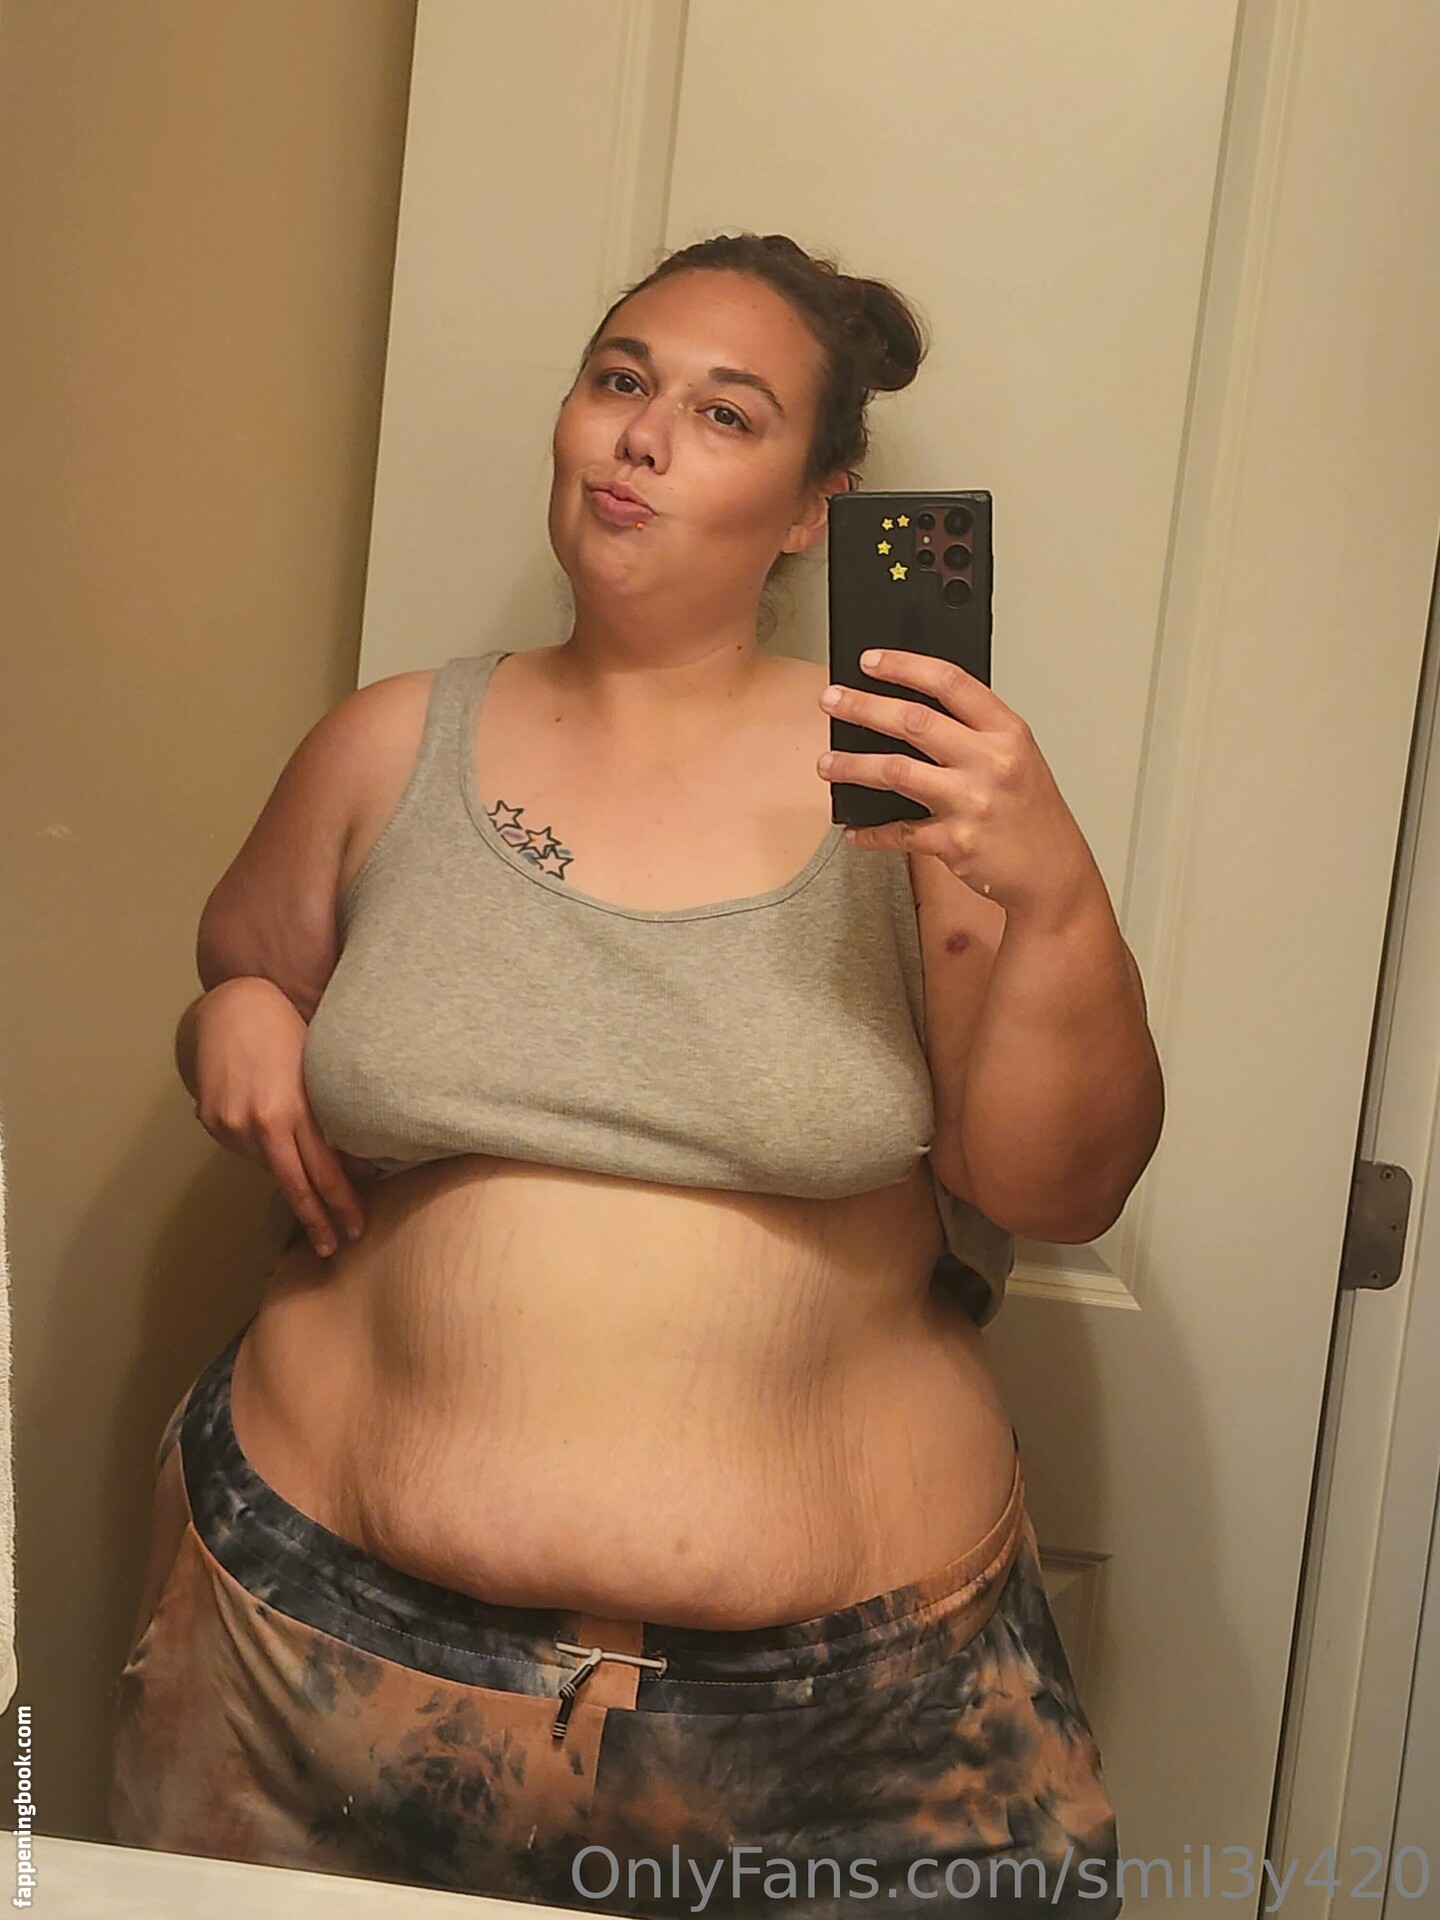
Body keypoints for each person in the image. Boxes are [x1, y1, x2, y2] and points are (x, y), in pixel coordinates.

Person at [108, 231, 1161, 1917]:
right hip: (314, 1660)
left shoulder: (917, 788)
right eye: (621, 382)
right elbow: (245, 973)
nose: (644, 438)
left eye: (727, 414)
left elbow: (1059, 1183)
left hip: (852, 1725)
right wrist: (231, 1010)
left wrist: (1053, 889)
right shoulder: (383, 744)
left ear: (815, 506)